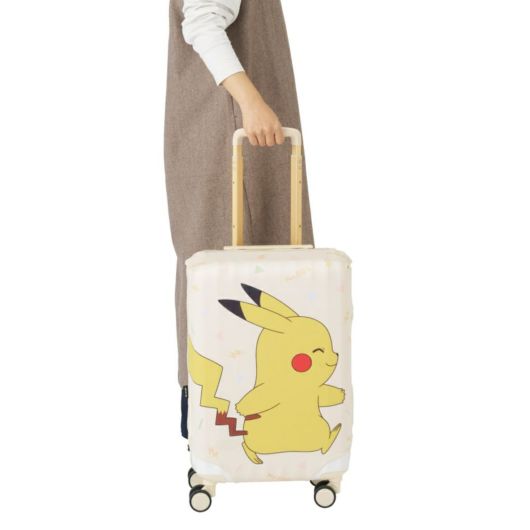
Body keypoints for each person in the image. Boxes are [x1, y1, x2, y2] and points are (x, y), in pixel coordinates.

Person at [164, 0, 314, 401]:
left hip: (230, 132)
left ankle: (226, 423)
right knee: (231, 272)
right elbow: (202, 22)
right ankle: (217, 424)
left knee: (244, 272)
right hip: (229, 135)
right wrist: (251, 103)